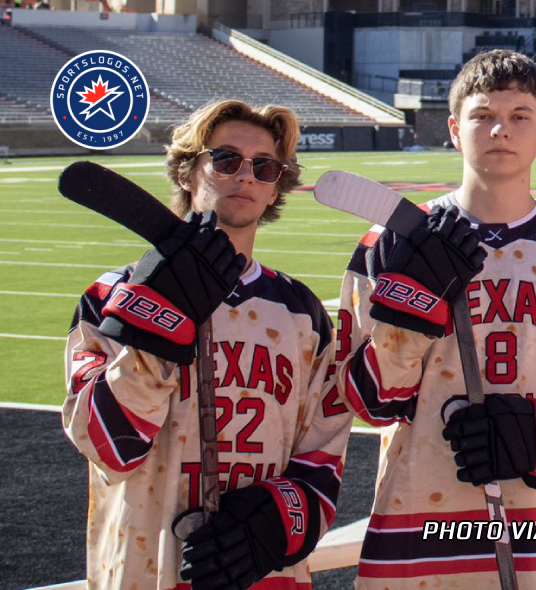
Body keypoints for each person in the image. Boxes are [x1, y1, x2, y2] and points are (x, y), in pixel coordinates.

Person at [335, 49, 536, 589]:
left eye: (519, 116)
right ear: (454, 129)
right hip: (418, 528)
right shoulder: (391, 244)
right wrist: (405, 327)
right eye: (483, 116)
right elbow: (364, 401)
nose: (501, 129)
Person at [62, 100, 353, 589]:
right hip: (146, 564)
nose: (246, 175)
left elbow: (323, 453)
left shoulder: (302, 311)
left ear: (276, 185)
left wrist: (273, 522)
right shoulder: (111, 296)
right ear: (187, 172)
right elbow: (107, 446)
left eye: (265, 166)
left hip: (263, 570)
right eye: (226, 159)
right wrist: (156, 326)